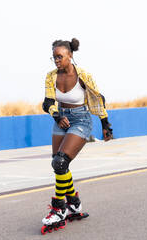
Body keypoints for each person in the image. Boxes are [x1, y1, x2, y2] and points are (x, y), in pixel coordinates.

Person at [41, 38, 113, 227]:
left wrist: (105, 124)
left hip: (81, 119)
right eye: (54, 57)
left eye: (60, 56)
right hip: (61, 118)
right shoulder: (51, 76)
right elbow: (47, 102)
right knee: (59, 166)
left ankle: (58, 208)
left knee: (61, 161)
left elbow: (98, 98)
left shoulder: (83, 75)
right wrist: (57, 116)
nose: (56, 60)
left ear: (70, 55)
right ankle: (74, 203)